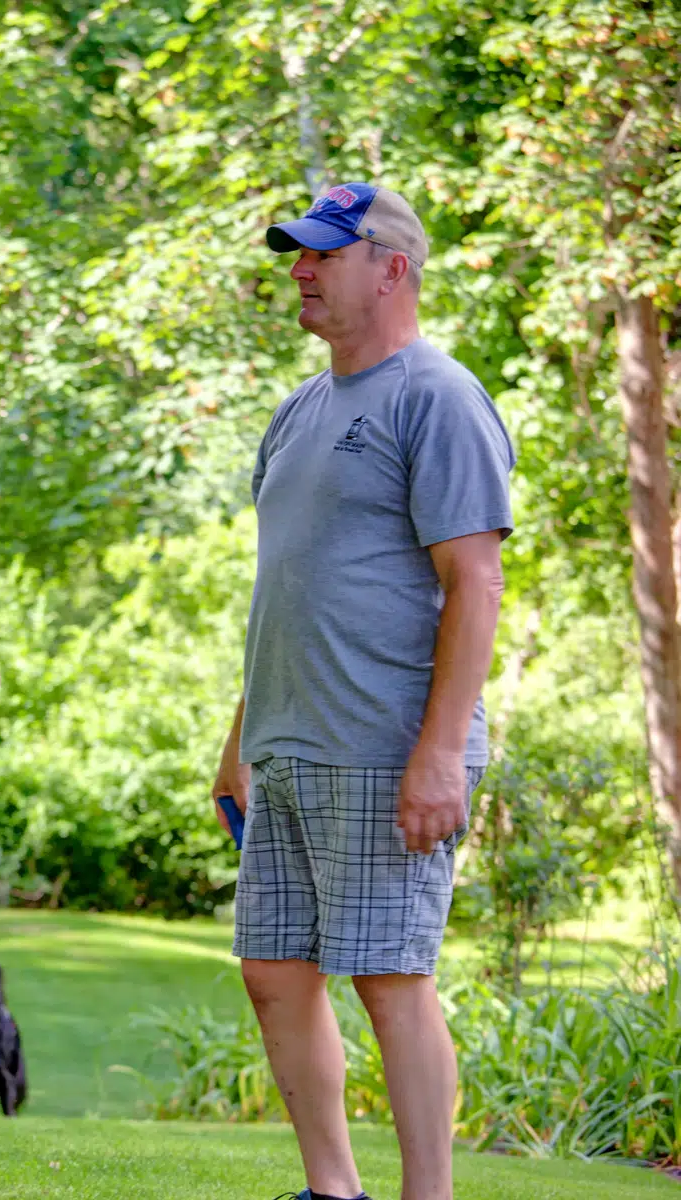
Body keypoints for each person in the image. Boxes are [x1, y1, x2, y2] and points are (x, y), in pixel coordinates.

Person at [213, 183, 515, 1200]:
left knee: (391, 982)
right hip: (290, 744)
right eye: (297, 254)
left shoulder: (438, 395)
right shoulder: (300, 409)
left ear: (391, 268)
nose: (299, 269)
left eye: (323, 254)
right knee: (275, 975)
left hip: (385, 747)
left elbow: (475, 582)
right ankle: (333, 1191)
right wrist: (240, 737)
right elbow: (285, 589)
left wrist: (439, 754)